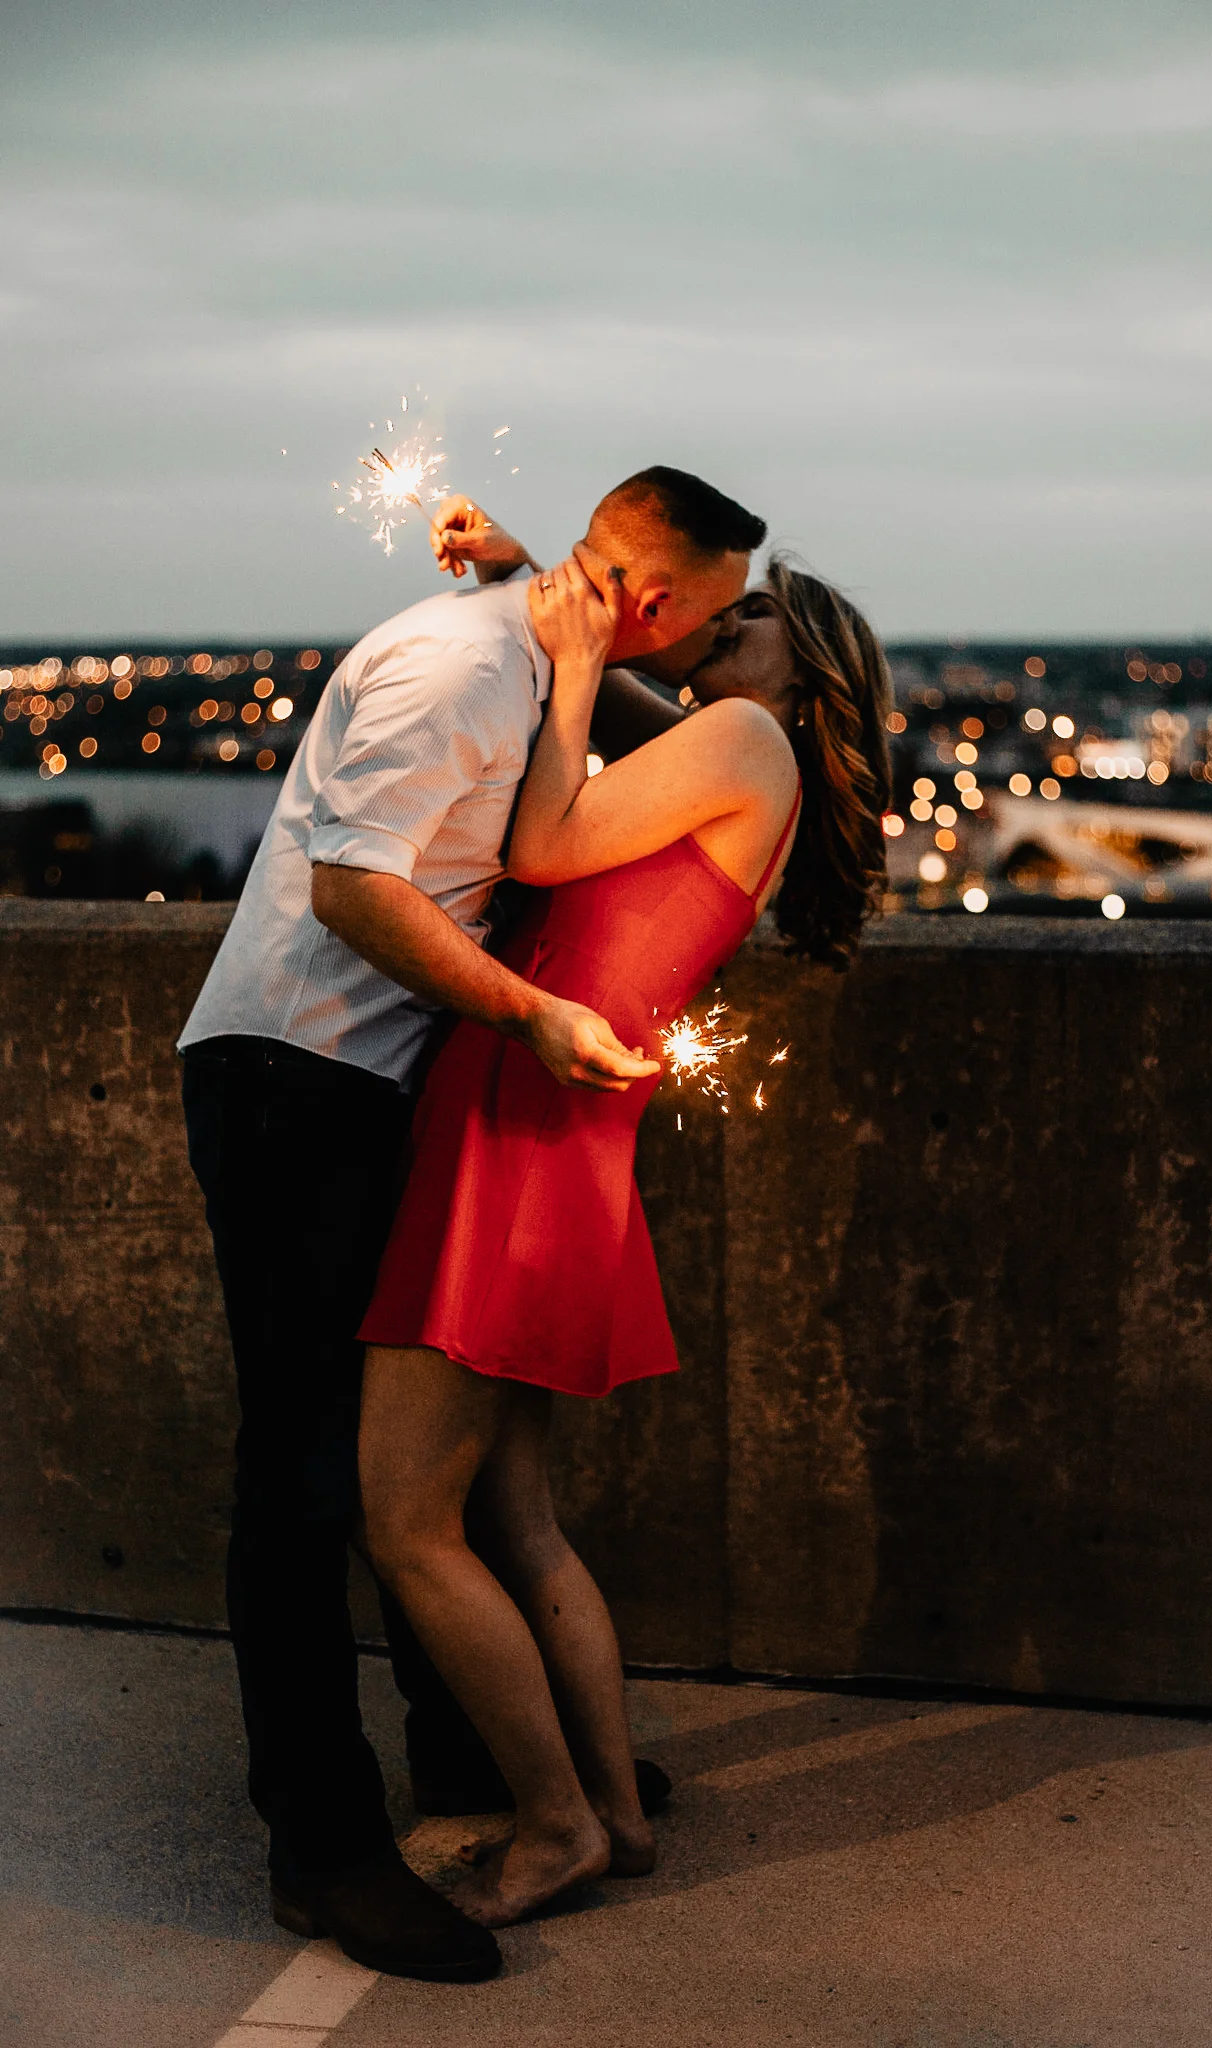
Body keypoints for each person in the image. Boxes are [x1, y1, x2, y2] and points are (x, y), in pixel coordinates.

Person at [178, 468, 765, 1982]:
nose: (701, 655)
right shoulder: (462, 664)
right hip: (295, 1069)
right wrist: (536, 1017)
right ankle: (323, 1849)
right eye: (703, 623)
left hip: (391, 1079)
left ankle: (460, 1760)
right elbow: (355, 891)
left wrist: (528, 575)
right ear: (648, 601)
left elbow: (652, 751)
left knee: (396, 1454)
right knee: (307, 1475)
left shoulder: (536, 657)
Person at [356, 543, 894, 1926]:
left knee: (407, 1517)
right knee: (513, 1516)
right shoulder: (746, 755)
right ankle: (608, 1816)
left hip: (519, 1120)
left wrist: (583, 655)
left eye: (754, 612)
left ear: (808, 660)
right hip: (558, 1131)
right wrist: (552, 587)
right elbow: (619, 744)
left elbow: (540, 844)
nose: (726, 621)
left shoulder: (743, 738)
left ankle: (552, 1828)